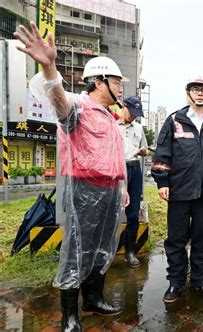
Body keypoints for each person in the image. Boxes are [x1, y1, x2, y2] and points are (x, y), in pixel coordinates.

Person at [15, 22, 129, 331]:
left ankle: (93, 299)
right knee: (77, 250)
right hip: (82, 189)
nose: (121, 89)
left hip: (109, 190)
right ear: (99, 81)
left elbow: (115, 157)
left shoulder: (110, 117)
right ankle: (69, 316)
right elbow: (57, 98)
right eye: (117, 82)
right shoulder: (77, 106)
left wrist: (123, 188)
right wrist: (49, 65)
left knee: (103, 246)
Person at [151, 76, 203, 304]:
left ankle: (199, 280)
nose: (200, 94)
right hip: (179, 191)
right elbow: (163, 152)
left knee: (202, 239)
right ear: (189, 93)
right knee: (176, 240)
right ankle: (175, 283)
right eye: (195, 90)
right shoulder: (175, 120)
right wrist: (162, 182)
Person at [118, 96, 148, 267]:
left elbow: (144, 147)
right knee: (111, 210)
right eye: (131, 112)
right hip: (117, 169)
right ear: (123, 106)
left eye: (136, 114)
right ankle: (107, 249)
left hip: (134, 169)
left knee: (133, 212)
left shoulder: (138, 128)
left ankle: (130, 252)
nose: (133, 117)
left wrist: (143, 151)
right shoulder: (113, 126)